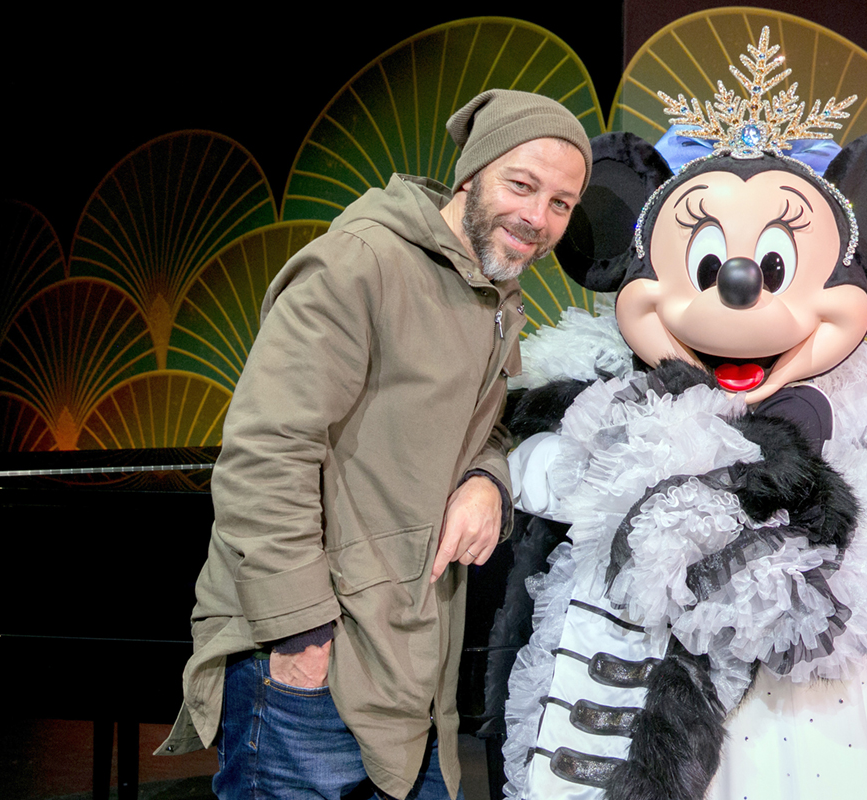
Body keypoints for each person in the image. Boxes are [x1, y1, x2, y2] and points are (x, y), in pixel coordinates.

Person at [156, 89, 591, 800]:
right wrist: (302, 642)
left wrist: (487, 481)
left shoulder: (492, 292)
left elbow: (484, 427)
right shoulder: (356, 266)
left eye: (561, 203)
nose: (537, 218)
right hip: (315, 667)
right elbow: (265, 456)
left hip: (410, 662)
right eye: (521, 185)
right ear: (471, 175)